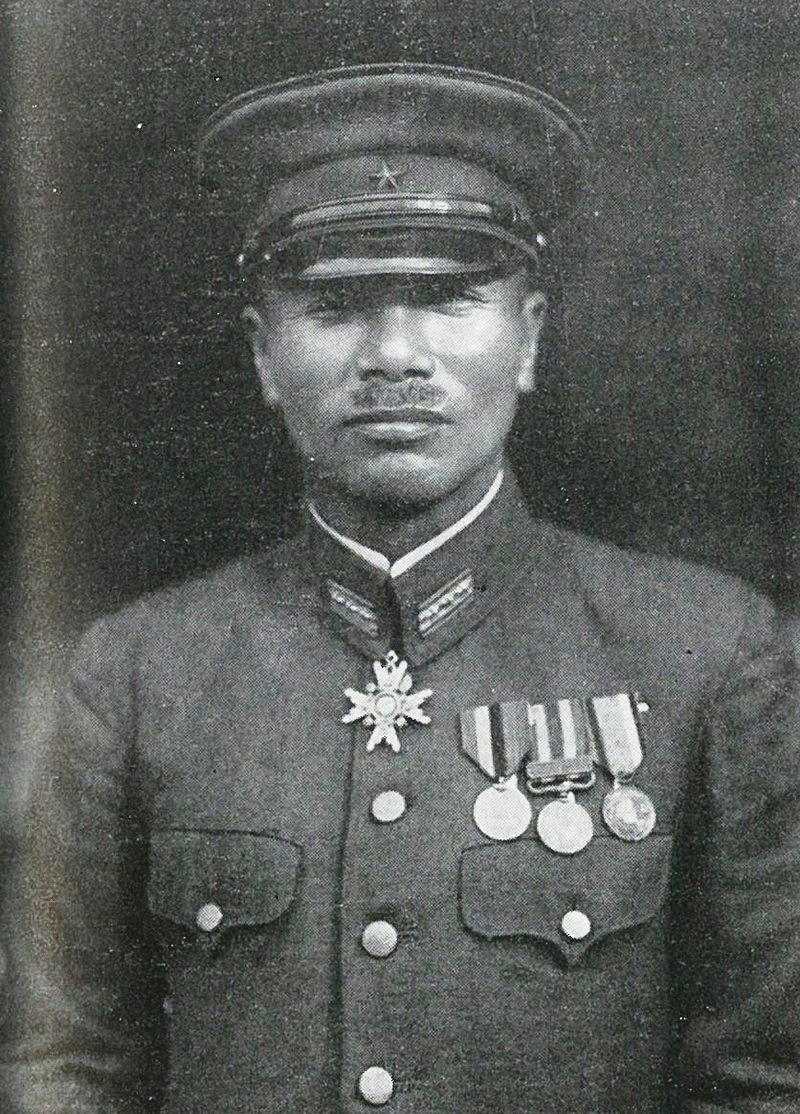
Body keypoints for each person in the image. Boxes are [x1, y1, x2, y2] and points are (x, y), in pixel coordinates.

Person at [2, 62, 800, 1114]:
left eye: (445, 297)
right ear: (263, 356)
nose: (393, 357)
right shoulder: (138, 674)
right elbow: (63, 1068)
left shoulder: (707, 655)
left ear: (528, 337)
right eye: (335, 306)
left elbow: (764, 1081)